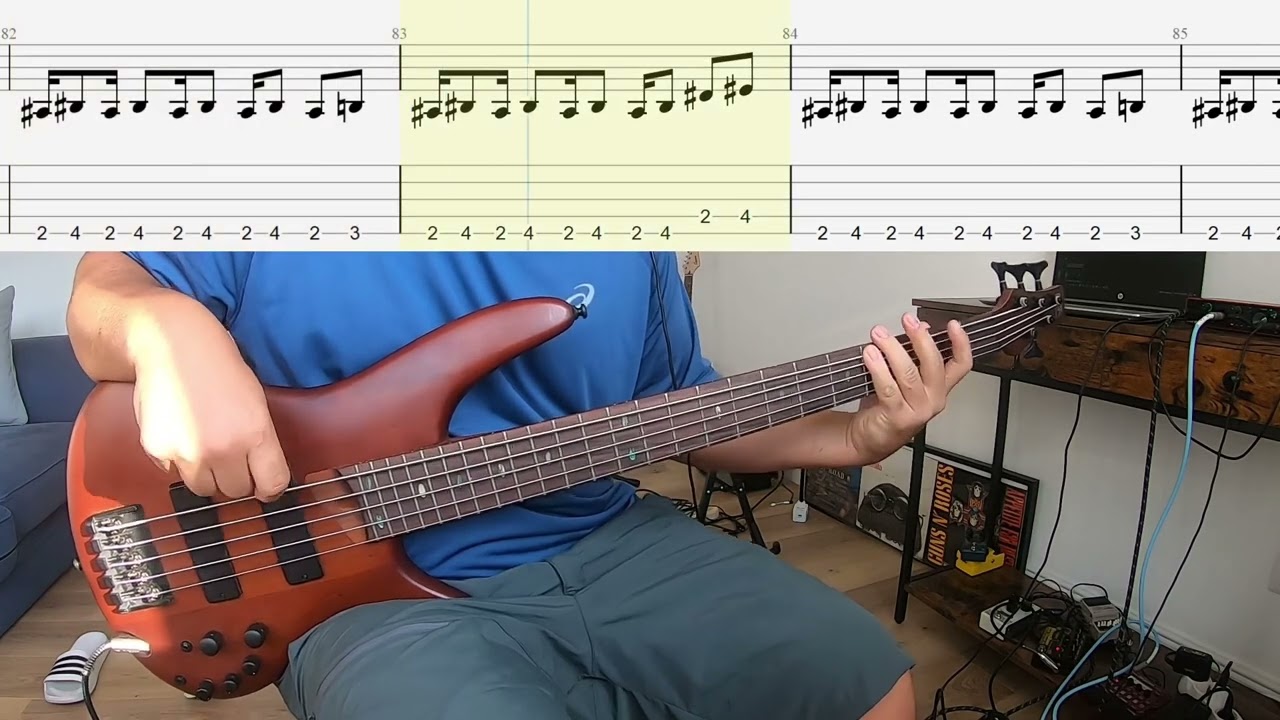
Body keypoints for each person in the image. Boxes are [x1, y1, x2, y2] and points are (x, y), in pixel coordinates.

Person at [66, 251, 973, 720]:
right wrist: (165, 329)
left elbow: (680, 409)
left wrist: (852, 436)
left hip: (609, 537)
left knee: (867, 687)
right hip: (359, 593)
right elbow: (102, 293)